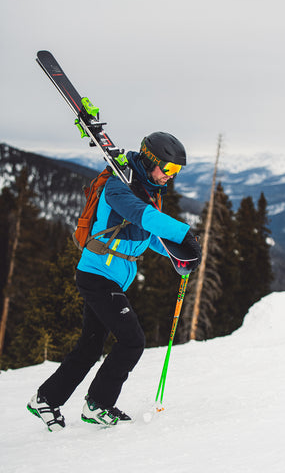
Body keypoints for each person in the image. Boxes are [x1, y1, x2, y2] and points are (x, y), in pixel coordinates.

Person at [27, 132, 201, 431]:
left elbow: (147, 235)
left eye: (177, 172)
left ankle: (46, 399)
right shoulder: (117, 187)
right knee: (133, 341)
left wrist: (177, 256)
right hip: (97, 276)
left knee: (91, 346)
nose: (170, 177)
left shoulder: (145, 188)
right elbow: (142, 216)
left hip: (111, 279)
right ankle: (98, 404)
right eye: (168, 169)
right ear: (150, 160)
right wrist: (182, 232)